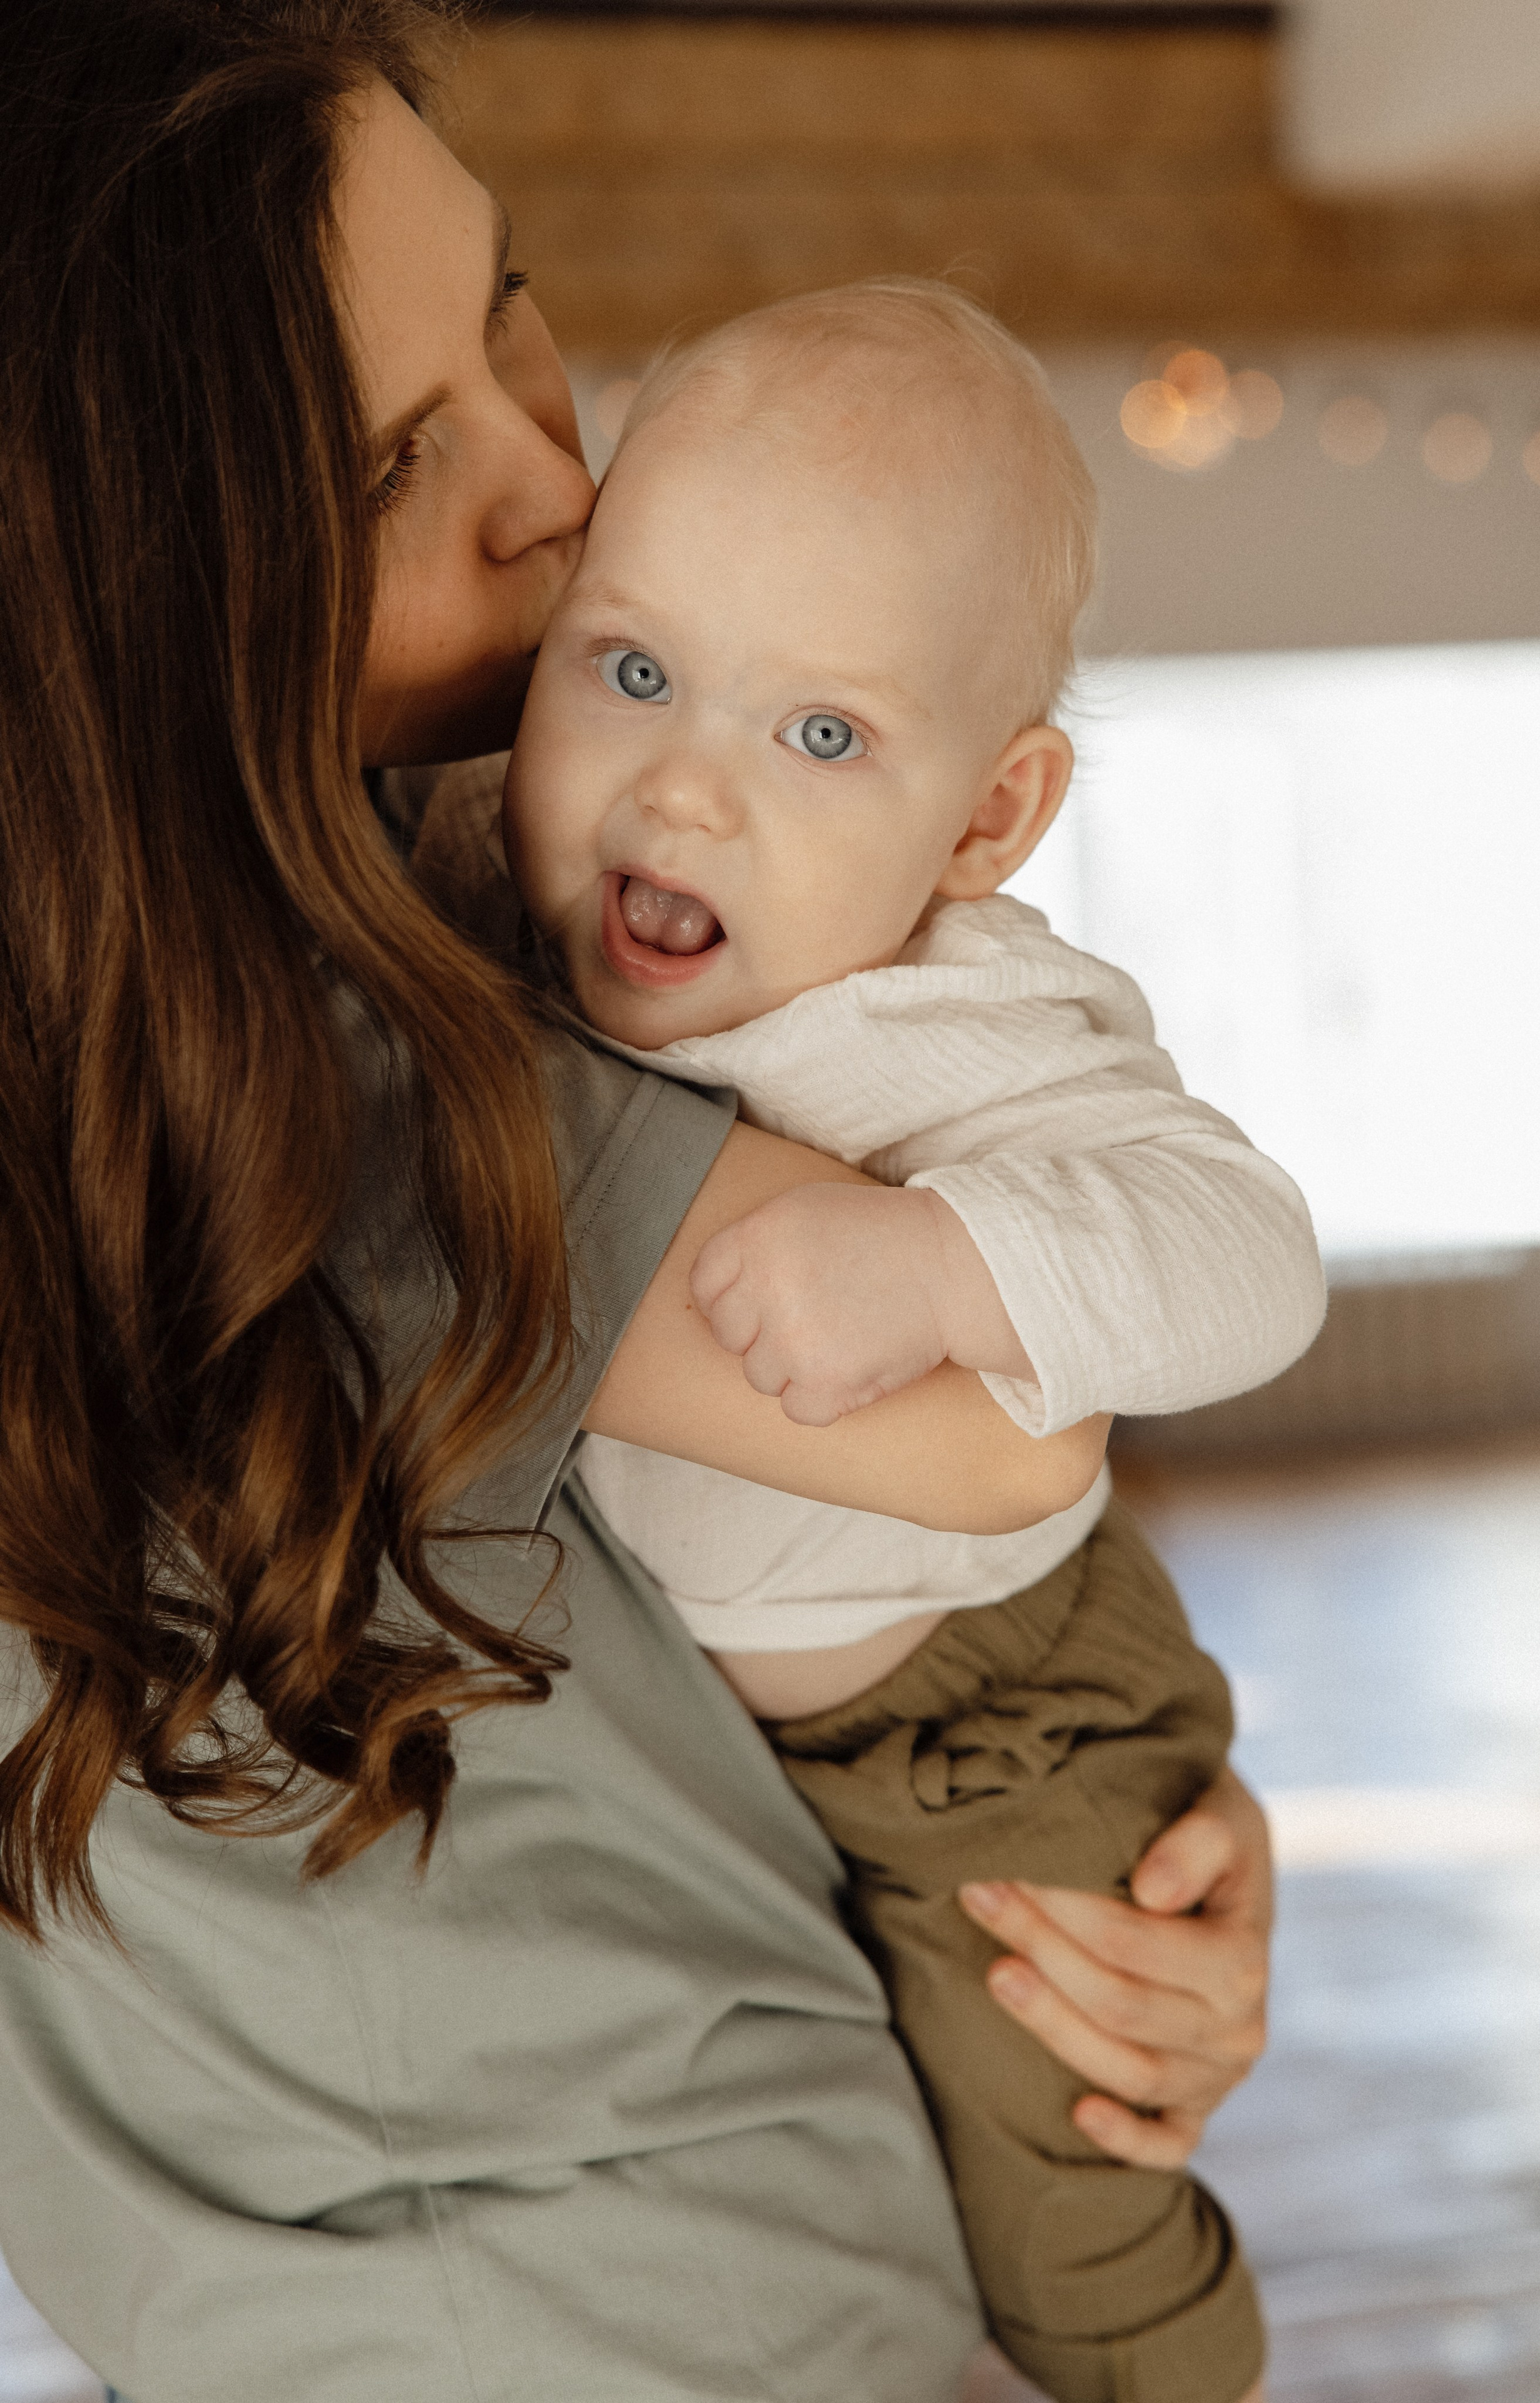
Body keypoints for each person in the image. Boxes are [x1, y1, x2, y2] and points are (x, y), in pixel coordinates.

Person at [0, 8, 1272, 2400]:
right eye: (392, 459)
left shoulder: (251, 945)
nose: (550, 487)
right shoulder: (326, 1056)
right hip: (702, 2286)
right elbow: (1005, 1450)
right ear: (142, 569)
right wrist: (1113, 1775)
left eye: (507, 308)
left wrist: (1132, 1809)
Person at [464, 278, 1322, 2403]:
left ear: (984, 823)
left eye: (822, 733)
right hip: (710, 1769)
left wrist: (947, 1265)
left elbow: (1250, 1258)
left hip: (991, 1713)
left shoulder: (967, 1022)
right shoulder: (486, 937)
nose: (687, 791)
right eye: (635, 668)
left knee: (1067, 2182)